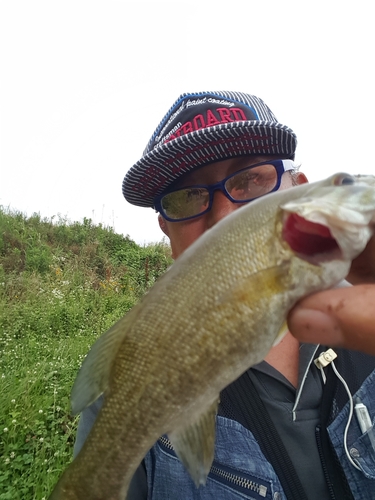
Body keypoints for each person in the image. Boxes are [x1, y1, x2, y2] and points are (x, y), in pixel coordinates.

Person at [76, 91, 375, 499]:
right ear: (167, 231)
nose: (223, 217)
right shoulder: (125, 378)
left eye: (252, 178)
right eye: (187, 196)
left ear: (298, 187)